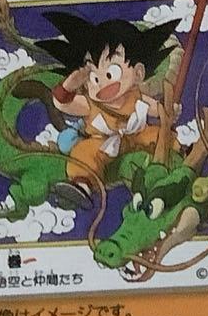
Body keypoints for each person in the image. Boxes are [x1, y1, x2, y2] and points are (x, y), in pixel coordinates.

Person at [37, 11, 181, 209]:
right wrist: (68, 86)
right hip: (102, 143)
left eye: (111, 73)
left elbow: (157, 110)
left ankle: (181, 153)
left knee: (157, 134)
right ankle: (82, 185)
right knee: (83, 151)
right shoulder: (91, 104)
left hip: (137, 136)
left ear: (138, 73)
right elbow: (62, 104)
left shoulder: (137, 96)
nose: (102, 84)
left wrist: (168, 112)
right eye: (95, 78)